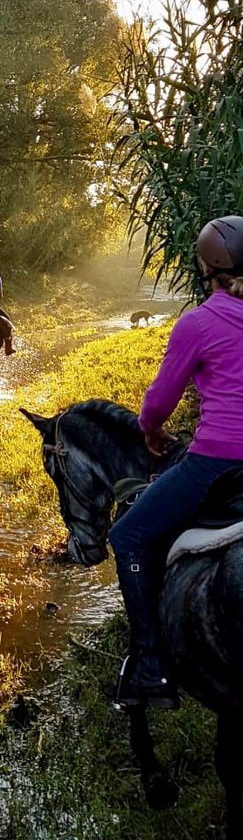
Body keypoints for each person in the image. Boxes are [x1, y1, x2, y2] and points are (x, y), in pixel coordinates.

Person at [109, 215, 243, 709]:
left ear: (208, 267)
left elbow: (160, 401)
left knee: (128, 537)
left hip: (216, 461)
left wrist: (150, 431)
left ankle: (151, 669)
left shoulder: (200, 322)